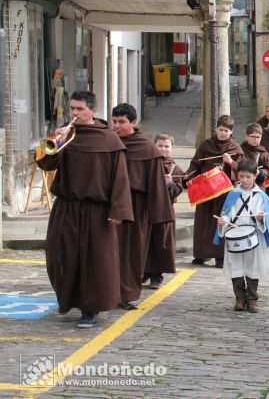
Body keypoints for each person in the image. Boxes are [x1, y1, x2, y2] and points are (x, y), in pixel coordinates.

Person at [37, 91, 133, 328]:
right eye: (72, 108)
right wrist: (56, 142)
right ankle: (69, 299)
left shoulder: (109, 140)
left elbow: (120, 178)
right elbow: (45, 163)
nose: (75, 113)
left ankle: (91, 309)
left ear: (92, 111)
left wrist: (118, 209)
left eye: (80, 109)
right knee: (62, 255)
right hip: (67, 206)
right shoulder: (66, 135)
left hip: (97, 211)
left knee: (95, 261)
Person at [111, 103, 174, 309]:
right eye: (114, 121)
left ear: (133, 123)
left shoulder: (146, 148)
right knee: (107, 251)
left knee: (132, 252)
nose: (117, 126)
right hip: (109, 205)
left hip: (136, 207)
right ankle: (108, 292)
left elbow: (156, 184)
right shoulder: (109, 143)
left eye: (121, 122)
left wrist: (157, 214)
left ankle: (128, 294)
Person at [214, 160, 269, 312]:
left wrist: (261, 218)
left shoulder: (261, 195)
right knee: (236, 266)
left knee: (253, 266)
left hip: (253, 235)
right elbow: (228, 214)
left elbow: (265, 216)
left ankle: (252, 299)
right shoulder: (233, 194)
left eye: (248, 176)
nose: (244, 180)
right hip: (235, 234)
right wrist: (224, 221)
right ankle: (239, 299)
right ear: (237, 176)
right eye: (241, 176)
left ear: (255, 175)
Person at [187, 115, 243, 267]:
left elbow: (242, 169)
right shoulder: (206, 145)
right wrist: (189, 176)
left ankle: (220, 255)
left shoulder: (235, 148)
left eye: (226, 130)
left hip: (224, 192)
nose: (223, 133)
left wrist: (230, 162)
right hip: (206, 190)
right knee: (203, 222)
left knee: (221, 221)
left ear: (231, 131)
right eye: (220, 129)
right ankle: (202, 254)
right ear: (216, 129)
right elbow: (195, 164)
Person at [143, 133, 185, 290]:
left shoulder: (175, 168)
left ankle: (157, 275)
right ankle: (144, 271)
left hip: (165, 212)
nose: (163, 149)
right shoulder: (147, 163)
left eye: (166, 146)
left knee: (161, 243)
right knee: (145, 242)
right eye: (160, 145)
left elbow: (178, 190)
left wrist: (169, 185)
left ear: (172, 148)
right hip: (147, 210)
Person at [240, 122, 269, 187]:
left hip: (257, 186)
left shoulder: (264, 153)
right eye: (253, 136)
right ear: (247, 136)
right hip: (241, 184)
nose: (256, 139)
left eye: (258, 137)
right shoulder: (240, 150)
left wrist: (260, 172)